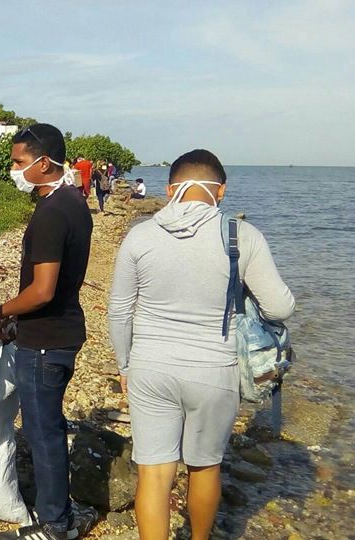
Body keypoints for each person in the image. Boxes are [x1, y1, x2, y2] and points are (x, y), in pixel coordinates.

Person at [108, 149, 295, 540]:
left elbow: (120, 312)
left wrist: (124, 366)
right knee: (204, 467)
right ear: (221, 191)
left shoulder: (140, 236)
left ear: (171, 188)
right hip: (213, 370)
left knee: (155, 472)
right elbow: (280, 307)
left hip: (150, 367)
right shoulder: (242, 236)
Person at [0, 124, 93, 540]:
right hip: (64, 332)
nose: (14, 170)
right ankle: (63, 508)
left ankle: (55, 523)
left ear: (43, 163)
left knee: (43, 431)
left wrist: (2, 310)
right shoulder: (74, 201)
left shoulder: (51, 213)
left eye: (19, 162)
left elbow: (42, 290)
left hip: (45, 341)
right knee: (49, 425)